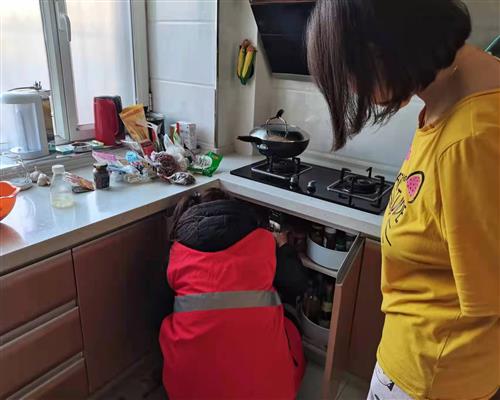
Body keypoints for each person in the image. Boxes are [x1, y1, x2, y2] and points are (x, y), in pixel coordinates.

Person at [307, 1, 499, 399]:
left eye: (350, 74)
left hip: (430, 376)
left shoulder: (470, 141)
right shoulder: (447, 102)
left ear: (380, 49)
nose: (354, 89)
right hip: (422, 361)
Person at [159, 188, 306, 399]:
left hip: (187, 392)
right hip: (269, 393)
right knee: (289, 323)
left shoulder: (177, 254)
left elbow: (165, 312)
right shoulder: (264, 241)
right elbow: (298, 282)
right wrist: (283, 245)